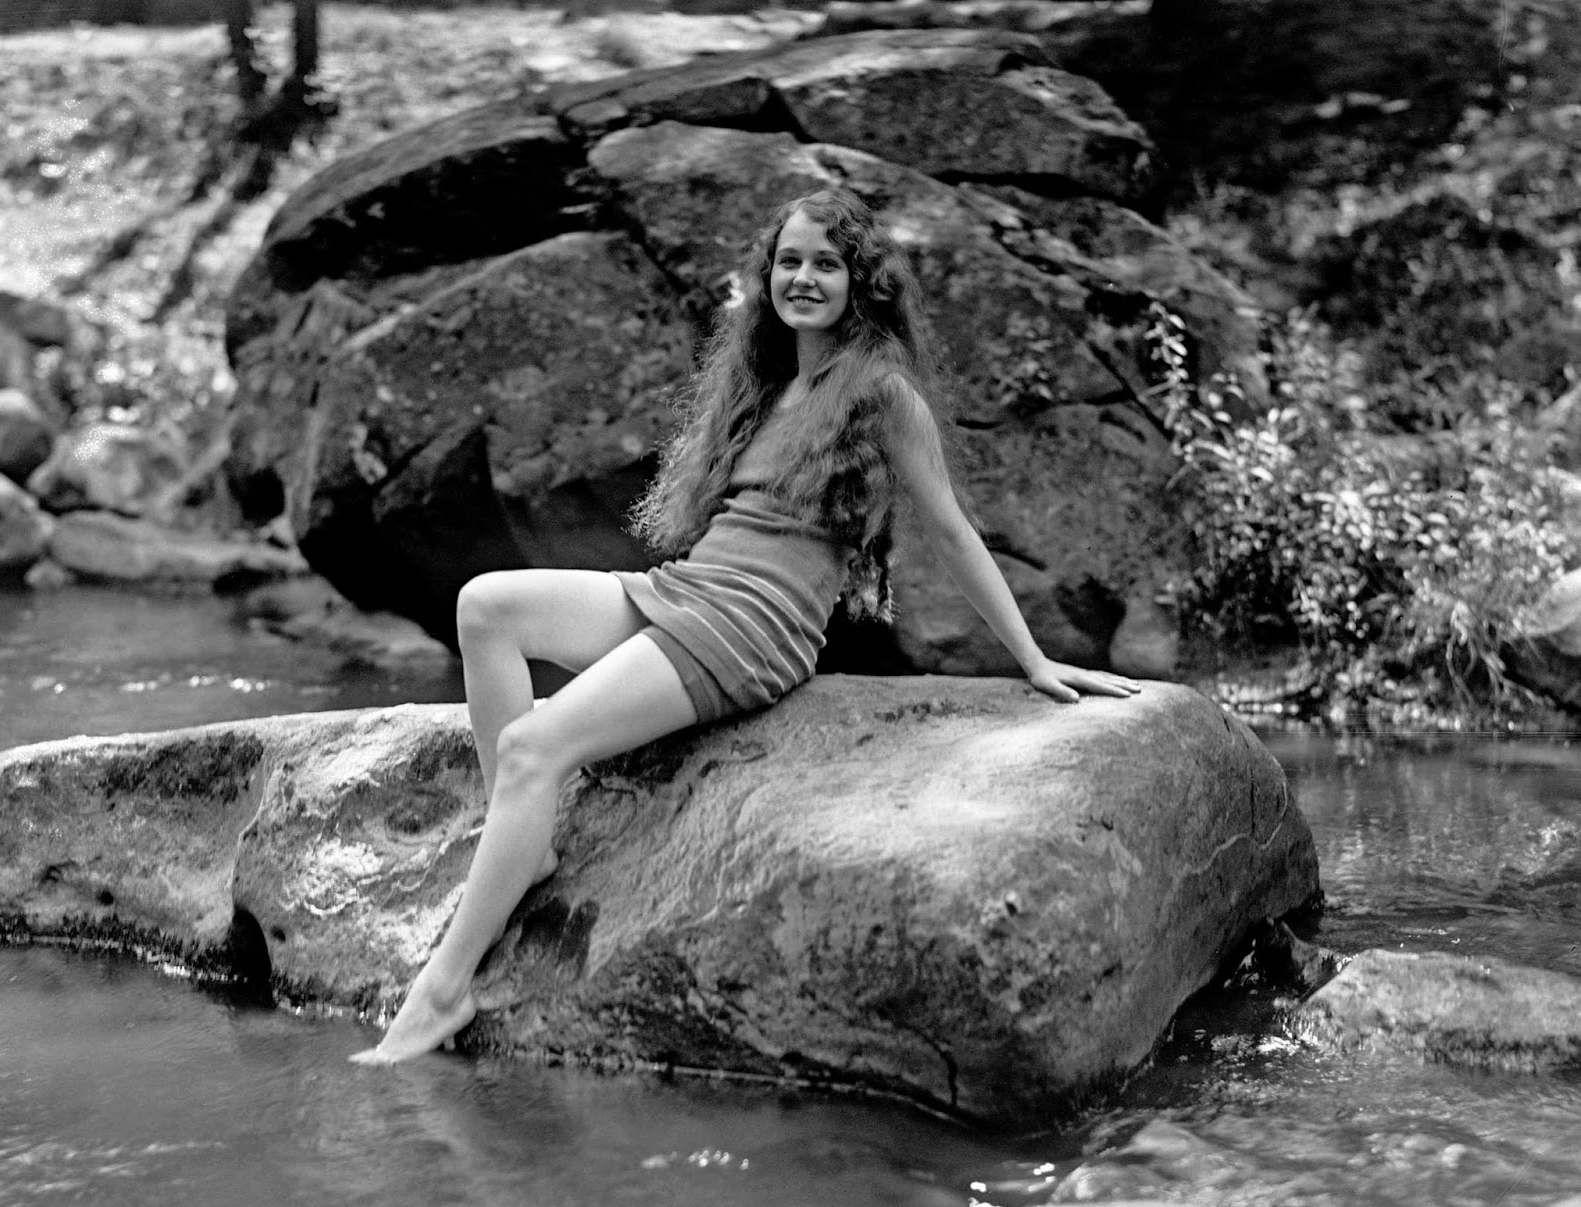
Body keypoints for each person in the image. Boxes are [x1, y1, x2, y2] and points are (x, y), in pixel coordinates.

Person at [351, 188, 1141, 1065]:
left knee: (539, 745)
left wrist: (1033, 660)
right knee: (484, 605)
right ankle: (522, 844)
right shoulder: (767, 382)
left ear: (861, 283)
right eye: (789, 261)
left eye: (826, 264)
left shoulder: (881, 393)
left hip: (754, 627)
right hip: (693, 590)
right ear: (767, 277)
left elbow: (952, 530)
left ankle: (444, 990)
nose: (803, 278)